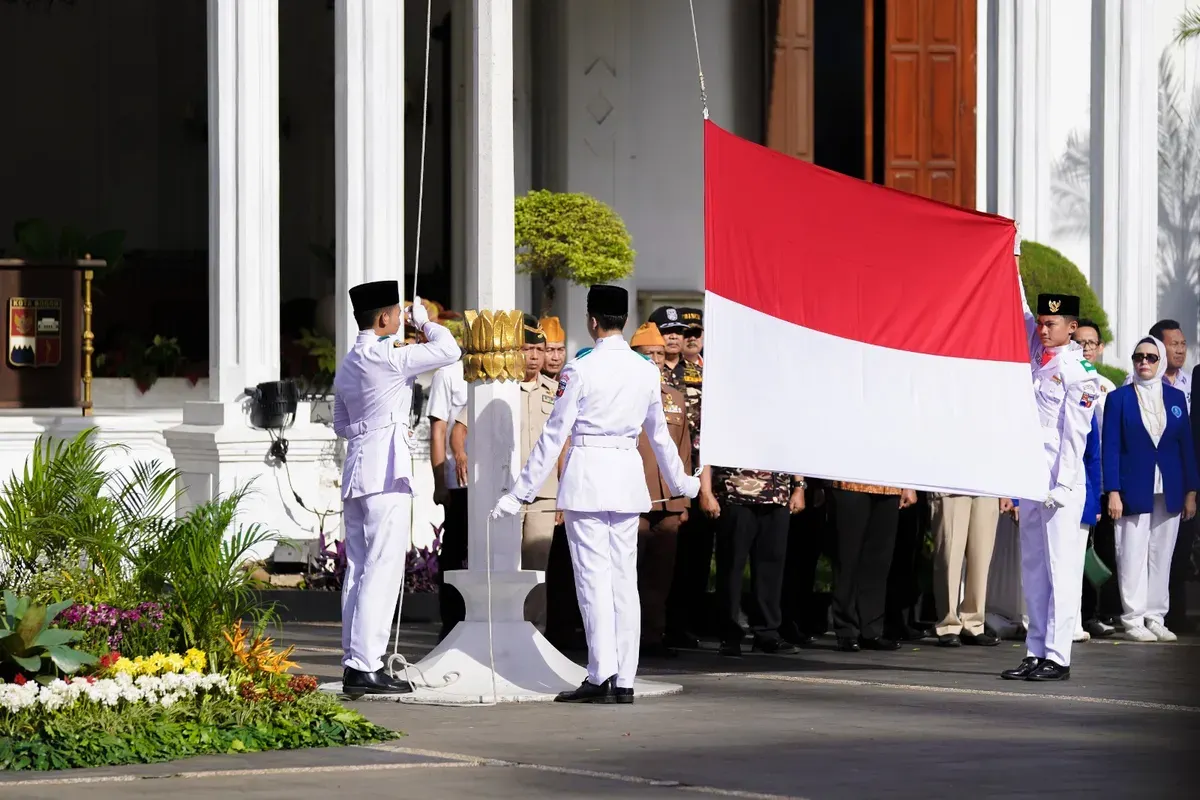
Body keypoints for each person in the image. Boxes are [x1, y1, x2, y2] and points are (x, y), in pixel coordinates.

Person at [491, 285, 700, 704]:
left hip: (588, 476)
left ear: (592, 321)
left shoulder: (580, 368)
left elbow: (554, 435)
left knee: (593, 580)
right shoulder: (645, 370)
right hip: (627, 476)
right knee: (624, 580)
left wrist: (520, 493)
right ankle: (625, 679)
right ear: (624, 320)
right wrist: (681, 483)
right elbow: (659, 436)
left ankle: (601, 673)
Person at [333, 282, 461, 697]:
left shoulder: (348, 362)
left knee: (359, 568)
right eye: (396, 314)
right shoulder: (389, 355)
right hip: (386, 472)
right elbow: (450, 350)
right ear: (385, 318)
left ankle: (355, 660)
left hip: (358, 470)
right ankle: (366, 664)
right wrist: (425, 323)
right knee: (382, 568)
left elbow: (340, 423)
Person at [1000, 278, 1100, 683]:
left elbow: (1076, 435)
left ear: (1071, 327)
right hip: (1031, 478)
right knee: (1034, 570)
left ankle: (1058, 656)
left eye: (1051, 324)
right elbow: (1019, 307)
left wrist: (1063, 484)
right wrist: (1012, 256)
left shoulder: (1080, 372)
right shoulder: (1036, 354)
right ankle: (1035, 650)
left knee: (1061, 569)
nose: (1043, 329)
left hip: (1061, 484)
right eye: (1041, 323)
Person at [1102, 337, 1199, 642]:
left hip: (1170, 487)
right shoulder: (1119, 398)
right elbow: (1111, 448)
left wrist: (1191, 490)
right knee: (1131, 552)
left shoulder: (1175, 397)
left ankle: (1156, 616)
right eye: (1138, 357)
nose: (1144, 362)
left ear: (1160, 362)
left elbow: (1185, 446)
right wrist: (1113, 490)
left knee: (1162, 554)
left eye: (1151, 357)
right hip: (1133, 487)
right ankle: (1133, 618)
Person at [630, 321, 692, 656]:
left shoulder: (675, 398)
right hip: (634, 499)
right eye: (647, 353)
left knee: (660, 575)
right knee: (629, 573)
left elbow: (684, 451)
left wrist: (684, 502)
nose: (654, 359)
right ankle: (626, 639)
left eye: (658, 353)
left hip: (669, 502)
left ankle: (652, 637)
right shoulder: (622, 396)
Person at [828, 481, 917, 651]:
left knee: (878, 561)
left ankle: (871, 631)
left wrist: (908, 484)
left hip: (889, 486)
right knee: (847, 557)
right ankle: (846, 630)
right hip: (850, 482)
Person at [517, 314, 561, 626]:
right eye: (527, 349)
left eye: (538, 350)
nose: (533, 356)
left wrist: (565, 490)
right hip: (508, 490)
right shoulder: (499, 387)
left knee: (537, 566)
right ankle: (503, 628)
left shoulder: (556, 391)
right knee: (505, 565)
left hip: (545, 493)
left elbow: (564, 443)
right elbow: (463, 428)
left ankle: (533, 632)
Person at [427, 319, 469, 641]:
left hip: (494, 480)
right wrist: (440, 482)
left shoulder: (499, 374)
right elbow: (439, 430)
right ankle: (451, 623)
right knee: (455, 551)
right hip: (459, 480)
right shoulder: (449, 374)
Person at [930, 493, 1008, 647]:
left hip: (987, 488)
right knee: (949, 555)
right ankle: (948, 625)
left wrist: (1004, 492)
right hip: (951, 486)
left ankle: (974, 624)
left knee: (981, 559)